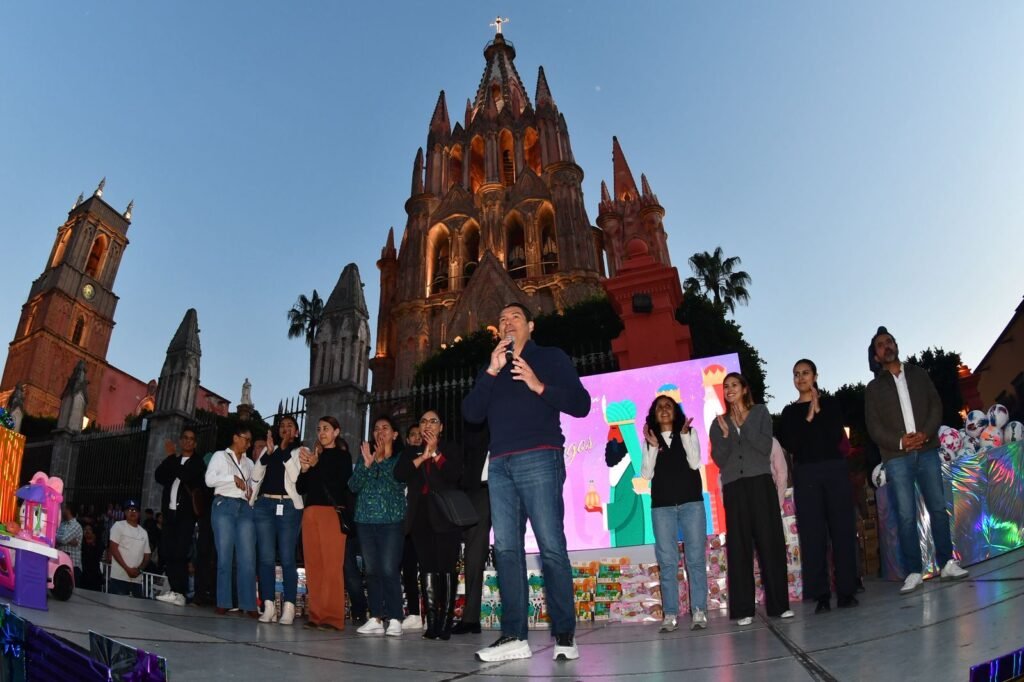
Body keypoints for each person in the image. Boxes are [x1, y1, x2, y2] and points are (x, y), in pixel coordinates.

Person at [462, 302, 591, 662]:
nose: (507, 322)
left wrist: (538, 385)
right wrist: (491, 371)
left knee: (551, 545)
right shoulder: (492, 367)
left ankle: (564, 634)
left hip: (540, 456)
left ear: (531, 326)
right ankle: (514, 635)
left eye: (515, 317)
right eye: (501, 318)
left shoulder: (550, 357)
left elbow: (581, 404)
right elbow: (471, 414)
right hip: (499, 464)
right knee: (505, 549)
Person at [864, 326, 968, 593]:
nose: (886, 346)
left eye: (889, 341)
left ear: (896, 345)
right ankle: (913, 571)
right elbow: (874, 427)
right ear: (876, 356)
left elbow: (935, 405)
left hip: (927, 449)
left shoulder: (919, 373)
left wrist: (926, 433)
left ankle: (947, 563)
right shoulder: (873, 389)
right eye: (880, 345)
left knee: (938, 508)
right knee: (906, 515)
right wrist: (901, 442)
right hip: (896, 458)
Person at [709, 372, 793, 626]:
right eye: (726, 386)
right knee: (739, 547)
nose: (729, 389)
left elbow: (764, 447)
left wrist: (742, 424)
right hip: (734, 487)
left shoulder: (759, 413)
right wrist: (726, 436)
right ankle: (744, 609)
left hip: (760, 484)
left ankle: (779, 605)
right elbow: (720, 459)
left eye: (734, 385)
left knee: (770, 543)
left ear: (744, 389)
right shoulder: (718, 423)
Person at [777, 359, 859, 613]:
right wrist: (810, 415)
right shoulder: (789, 412)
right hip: (806, 473)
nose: (801, 377)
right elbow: (792, 444)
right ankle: (820, 594)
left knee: (842, 530)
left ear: (815, 376)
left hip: (834, 469)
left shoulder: (831, 404)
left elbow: (835, 435)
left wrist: (819, 409)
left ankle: (846, 591)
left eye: (805, 373)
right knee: (813, 534)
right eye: (796, 374)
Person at [640, 395, 708, 632]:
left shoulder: (689, 432)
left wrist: (685, 435)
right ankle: (670, 614)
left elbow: (695, 462)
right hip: (662, 507)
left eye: (668, 405)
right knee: (668, 562)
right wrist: (652, 446)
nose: (664, 409)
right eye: (659, 407)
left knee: (695, 560)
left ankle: (699, 610)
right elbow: (646, 475)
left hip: (692, 504)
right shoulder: (650, 439)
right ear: (654, 414)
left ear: (676, 411)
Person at [395, 409, 465, 640]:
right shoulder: (411, 451)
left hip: (445, 514)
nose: (427, 425)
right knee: (427, 568)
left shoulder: (450, 448)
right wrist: (423, 457)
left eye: (433, 421)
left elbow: (454, 475)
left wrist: (435, 453)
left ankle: (445, 622)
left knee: (446, 567)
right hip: (420, 515)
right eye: (423, 421)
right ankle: (432, 622)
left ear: (441, 427)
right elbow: (400, 474)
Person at [349, 414, 407, 637]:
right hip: (365, 521)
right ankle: (375, 617)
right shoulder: (366, 456)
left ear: (394, 434)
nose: (380, 432)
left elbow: (398, 483)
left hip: (391, 521)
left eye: (385, 428)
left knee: (389, 569)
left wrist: (381, 461)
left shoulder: (401, 458)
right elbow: (353, 486)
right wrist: (366, 465)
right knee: (371, 570)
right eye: (376, 428)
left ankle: (395, 617)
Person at [296, 416, 353, 631]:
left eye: (326, 428)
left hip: (331, 513)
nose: (322, 432)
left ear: (336, 432)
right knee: (313, 565)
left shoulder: (342, 456)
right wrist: (304, 469)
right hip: (310, 512)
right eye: (319, 429)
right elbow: (301, 488)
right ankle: (316, 614)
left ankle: (333, 617)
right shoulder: (315, 457)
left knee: (331, 566)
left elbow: (340, 484)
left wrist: (316, 465)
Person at [251, 415, 305, 624]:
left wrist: (283, 451)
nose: (285, 428)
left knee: (287, 557)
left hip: (288, 507)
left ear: (296, 432)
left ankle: (289, 606)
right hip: (264, 505)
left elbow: (296, 478)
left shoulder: (300, 451)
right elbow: (255, 476)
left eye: (290, 426)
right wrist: (267, 454)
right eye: (282, 425)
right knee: (265, 558)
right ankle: (268, 605)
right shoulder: (269, 449)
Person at [205, 425, 259, 617]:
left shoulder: (250, 463)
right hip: (224, 505)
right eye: (246, 439)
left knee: (248, 557)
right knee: (225, 556)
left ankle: (249, 604)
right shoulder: (220, 456)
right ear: (236, 437)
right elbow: (209, 480)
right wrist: (231, 478)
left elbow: (253, 485)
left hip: (244, 508)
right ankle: (223, 602)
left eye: (250, 440)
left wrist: (251, 494)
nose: (248, 444)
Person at [154, 427, 207, 607]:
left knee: (180, 552)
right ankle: (174, 589)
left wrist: (171, 457)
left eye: (191, 438)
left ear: (195, 443)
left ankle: (180, 591)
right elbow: (159, 476)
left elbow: (185, 475)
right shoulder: (174, 461)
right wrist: (170, 459)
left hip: (186, 515)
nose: (188, 441)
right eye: (185, 437)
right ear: (180, 440)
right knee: (168, 551)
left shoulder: (198, 463)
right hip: (170, 513)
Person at [451, 421, 491, 635]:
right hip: (480, 489)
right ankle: (470, 618)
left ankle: (516, 619)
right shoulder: (478, 422)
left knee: (511, 550)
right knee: (474, 554)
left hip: (511, 483)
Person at [400, 423, 424, 632]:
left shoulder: (430, 455)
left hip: (424, 518)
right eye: (413, 435)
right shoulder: (404, 457)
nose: (417, 438)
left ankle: (431, 612)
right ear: (407, 439)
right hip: (405, 521)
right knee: (408, 568)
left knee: (427, 568)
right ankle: (414, 613)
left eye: (419, 435)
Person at [107, 499, 151, 598]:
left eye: (135, 510)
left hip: (137, 579)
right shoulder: (118, 526)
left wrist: (139, 570)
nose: (132, 512)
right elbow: (113, 549)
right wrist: (127, 569)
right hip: (119, 577)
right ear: (125, 512)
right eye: (129, 510)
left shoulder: (143, 532)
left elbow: (147, 556)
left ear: (139, 513)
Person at [56, 503, 84, 585]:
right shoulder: (62, 524)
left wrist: (61, 539)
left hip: (73, 566)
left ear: (68, 510)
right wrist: (69, 541)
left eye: (64, 508)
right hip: (62, 564)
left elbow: (63, 539)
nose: (62, 510)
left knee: (71, 590)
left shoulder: (76, 526)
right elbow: (56, 537)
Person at [80, 524, 104, 591]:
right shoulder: (81, 543)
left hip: (95, 574)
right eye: (85, 529)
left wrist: (93, 543)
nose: (87, 531)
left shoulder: (98, 543)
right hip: (83, 574)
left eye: (89, 529)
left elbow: (99, 554)